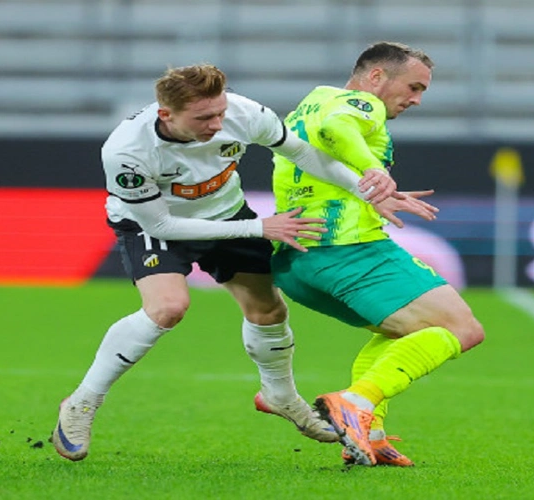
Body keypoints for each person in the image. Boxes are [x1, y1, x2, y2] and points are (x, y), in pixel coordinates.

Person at [51, 64, 402, 462]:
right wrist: (259, 228)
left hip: (226, 213)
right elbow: (162, 224)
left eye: (220, 112)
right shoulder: (127, 151)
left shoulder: (243, 112)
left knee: (268, 311)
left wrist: (366, 190)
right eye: (204, 118)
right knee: (167, 308)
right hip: (157, 224)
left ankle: (281, 396)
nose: (217, 124)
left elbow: (302, 153)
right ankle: (82, 402)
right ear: (166, 114)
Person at [270, 41, 486, 466]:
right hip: (348, 250)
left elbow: (321, 149)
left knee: (402, 332)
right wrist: (372, 168)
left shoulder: (310, 103)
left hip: (298, 262)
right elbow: (338, 128)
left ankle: (370, 431)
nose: (416, 100)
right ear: (375, 76)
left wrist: (365, 189)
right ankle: (356, 403)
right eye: (413, 87)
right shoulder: (361, 104)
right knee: (463, 328)